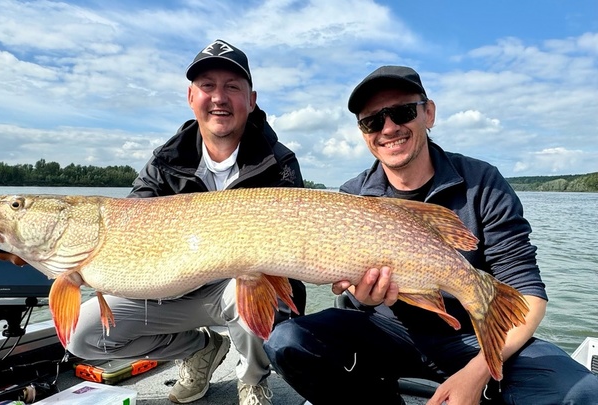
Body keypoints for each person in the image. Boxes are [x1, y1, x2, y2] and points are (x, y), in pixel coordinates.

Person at [264, 65, 598, 404]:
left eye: (402, 112)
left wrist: (479, 370)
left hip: (470, 337)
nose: (389, 128)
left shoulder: (482, 182)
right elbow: (347, 286)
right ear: (364, 133)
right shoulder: (353, 196)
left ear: (429, 113)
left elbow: (526, 292)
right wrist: (365, 296)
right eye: (372, 121)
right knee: (288, 340)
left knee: (585, 393)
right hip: (384, 332)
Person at [65, 40, 306, 405]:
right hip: (172, 289)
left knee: (250, 285)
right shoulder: (165, 160)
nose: (219, 97)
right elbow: (132, 220)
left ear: (251, 100)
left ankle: (252, 379)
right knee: (81, 334)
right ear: (191, 96)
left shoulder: (278, 162)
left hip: (236, 290)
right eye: (207, 86)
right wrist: (67, 257)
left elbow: (295, 246)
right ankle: (200, 349)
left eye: (232, 87)